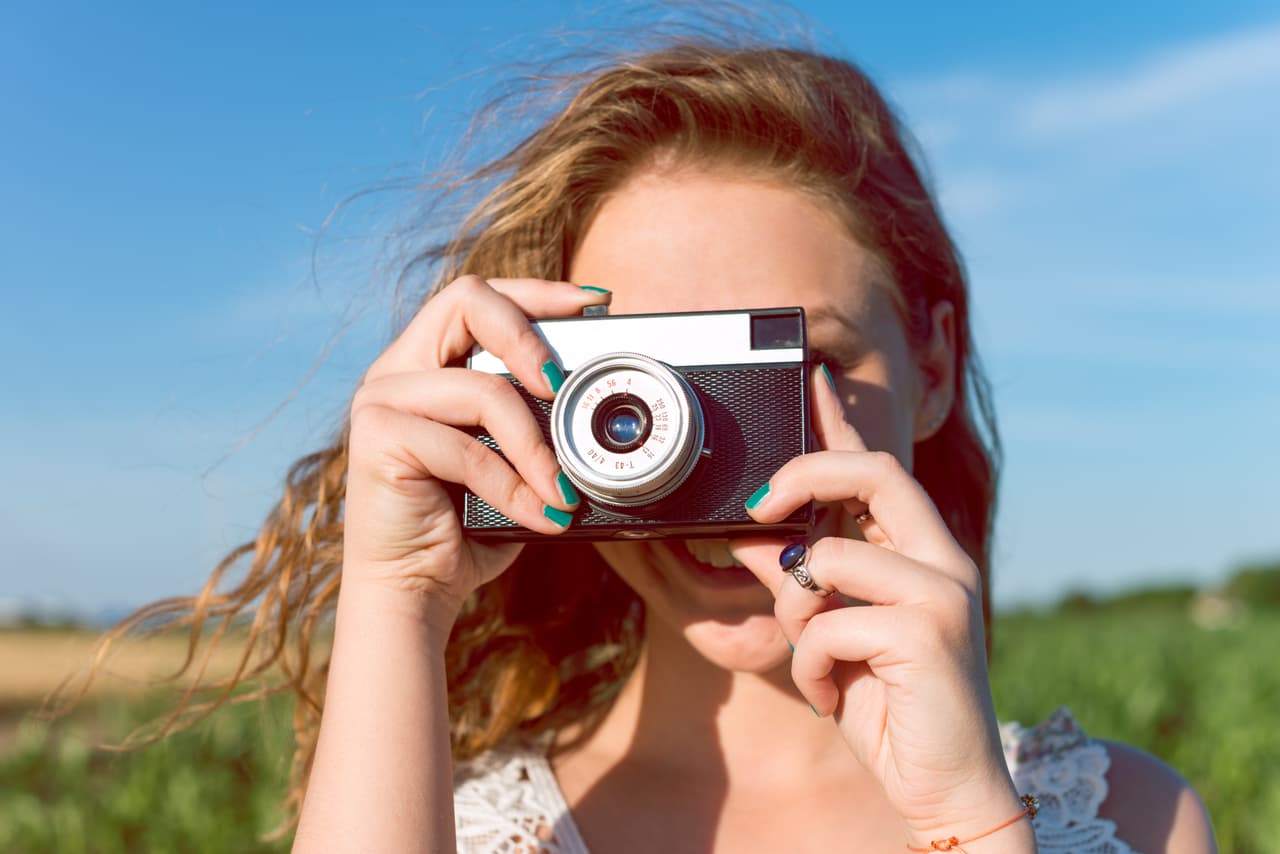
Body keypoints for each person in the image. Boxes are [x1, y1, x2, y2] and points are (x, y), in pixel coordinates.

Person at [73, 31, 1216, 854]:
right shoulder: (436, 826)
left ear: (929, 362)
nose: (711, 466)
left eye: (788, 365)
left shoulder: (1121, 818)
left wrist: (968, 823)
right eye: (636, 401)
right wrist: (396, 594)